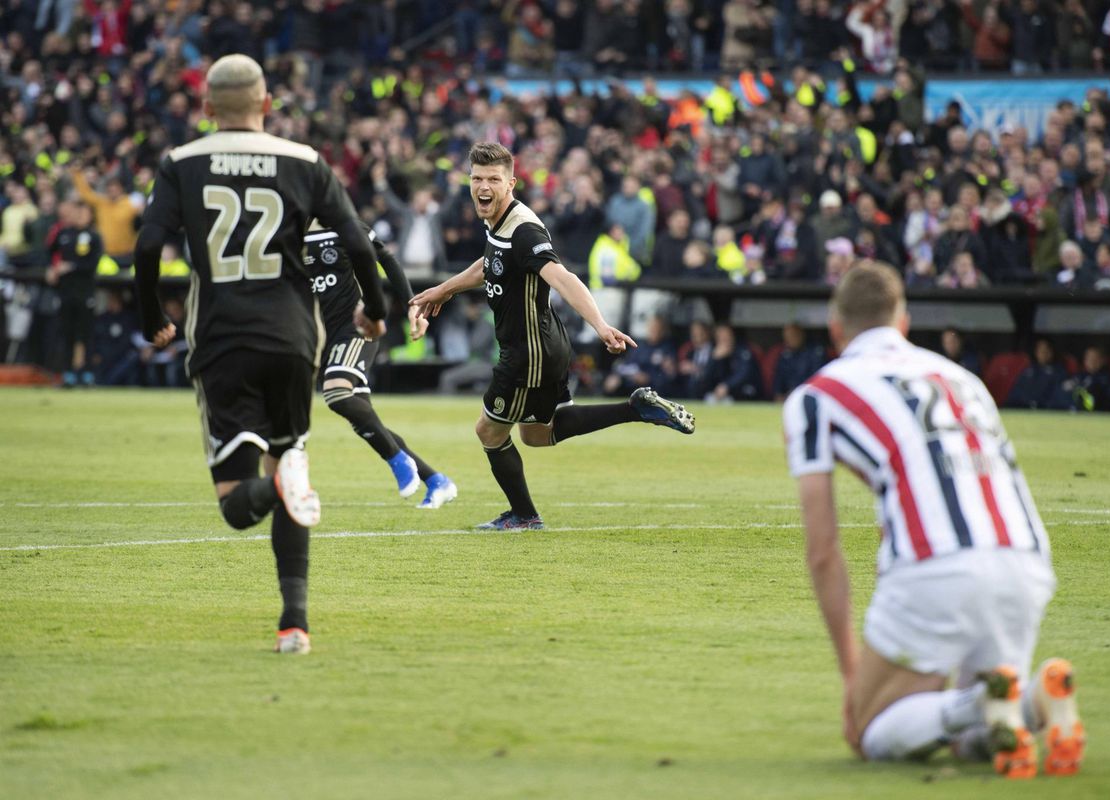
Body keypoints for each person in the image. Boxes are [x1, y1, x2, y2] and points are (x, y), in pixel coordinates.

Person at [782, 262, 1084, 777]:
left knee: (873, 731)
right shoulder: (961, 377)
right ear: (904, 322)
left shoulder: (817, 396)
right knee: (971, 745)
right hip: (1026, 559)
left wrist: (854, 678)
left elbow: (823, 551)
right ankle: (1034, 699)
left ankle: (981, 702)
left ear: (836, 329)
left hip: (936, 565)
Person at [133, 54, 389, 656]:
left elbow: (147, 246)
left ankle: (280, 494)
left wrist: (153, 318)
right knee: (289, 460)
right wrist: (374, 312)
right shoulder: (305, 162)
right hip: (293, 339)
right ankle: (294, 625)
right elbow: (355, 242)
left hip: (222, 339)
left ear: (206, 108)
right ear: (267, 104)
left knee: (236, 504)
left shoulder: (181, 163)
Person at [410, 142, 695, 531]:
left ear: (511, 182)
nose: (483, 186)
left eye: (493, 179)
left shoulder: (524, 229)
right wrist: (446, 288)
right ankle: (636, 409)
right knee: (536, 435)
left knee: (488, 430)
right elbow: (490, 262)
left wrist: (600, 326)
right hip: (542, 344)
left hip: (530, 352)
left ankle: (524, 516)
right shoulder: (499, 221)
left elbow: (562, 277)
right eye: (477, 178)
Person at [302, 220, 458, 509]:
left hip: (358, 328)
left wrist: (412, 304)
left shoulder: (341, 222)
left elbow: (385, 257)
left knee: (336, 393)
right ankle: (437, 480)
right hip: (324, 337)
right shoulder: (285, 233)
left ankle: (398, 461)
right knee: (366, 422)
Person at [47, 200, 102, 387]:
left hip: (85, 292)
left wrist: (71, 266)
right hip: (65, 292)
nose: (80, 216)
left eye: (84, 213)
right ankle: (67, 372)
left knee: (84, 333)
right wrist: (52, 269)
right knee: (66, 332)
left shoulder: (94, 237)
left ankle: (85, 371)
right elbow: (49, 252)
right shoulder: (64, 233)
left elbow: (93, 265)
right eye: (78, 212)